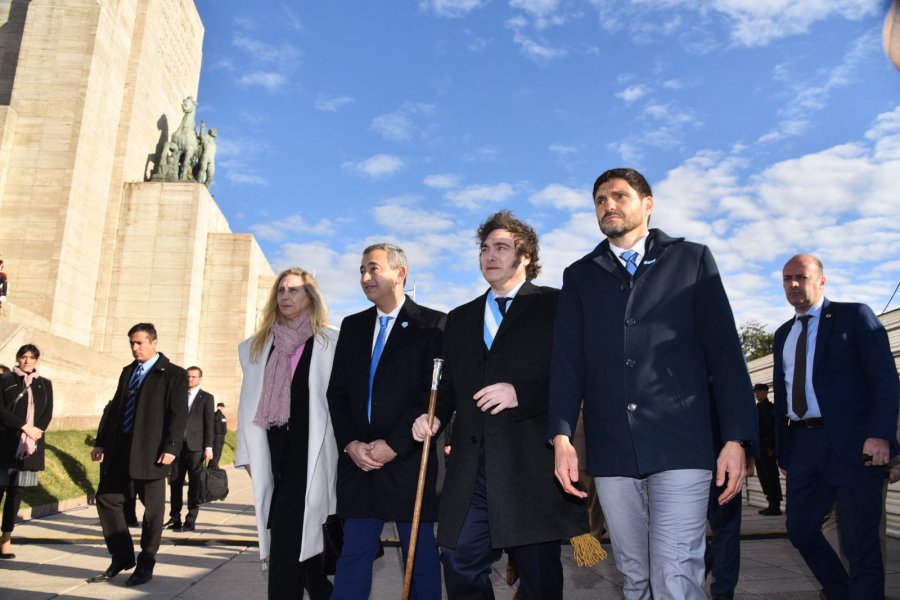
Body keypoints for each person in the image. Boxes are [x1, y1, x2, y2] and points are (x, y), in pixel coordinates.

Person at [548, 167, 757, 599]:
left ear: (647, 204)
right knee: (635, 575)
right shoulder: (579, 275)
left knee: (675, 572)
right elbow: (567, 364)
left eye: (619, 196)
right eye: (600, 200)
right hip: (612, 451)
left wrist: (736, 438)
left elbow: (725, 354)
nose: (608, 205)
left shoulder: (692, 260)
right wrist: (562, 437)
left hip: (681, 443)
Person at [412, 211, 590, 600]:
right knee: (457, 560)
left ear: (525, 255)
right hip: (472, 468)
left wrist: (521, 394)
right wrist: (434, 416)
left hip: (532, 467)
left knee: (539, 578)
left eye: (501, 247)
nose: (490, 255)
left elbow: (575, 376)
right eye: (485, 248)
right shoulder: (459, 318)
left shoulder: (556, 305)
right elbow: (451, 388)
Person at [773, 253, 899, 599]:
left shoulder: (854, 316)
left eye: (801, 276)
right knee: (800, 530)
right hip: (803, 447)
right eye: (787, 279)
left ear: (821, 281)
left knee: (861, 544)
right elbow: (783, 397)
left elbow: (885, 380)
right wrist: (783, 450)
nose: (794, 285)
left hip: (855, 447)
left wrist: (882, 435)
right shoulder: (783, 334)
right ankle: (843, 592)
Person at [327, 243, 445, 600]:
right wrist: (349, 444)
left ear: (400, 273)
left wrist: (395, 445)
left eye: (373, 269)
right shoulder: (353, 326)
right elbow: (339, 392)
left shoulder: (434, 324)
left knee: (420, 559)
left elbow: (432, 394)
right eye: (362, 270)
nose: (365, 278)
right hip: (359, 463)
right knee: (352, 557)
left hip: (408, 463)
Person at [235, 267, 338, 600]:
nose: (285, 296)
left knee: (289, 536)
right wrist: (247, 455)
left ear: (311, 296)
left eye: (294, 290)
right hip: (272, 449)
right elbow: (246, 401)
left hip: (310, 452)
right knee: (290, 537)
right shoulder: (257, 346)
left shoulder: (330, 342)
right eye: (281, 290)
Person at [89, 323, 188, 587]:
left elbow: (179, 415)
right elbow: (115, 409)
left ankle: (146, 561)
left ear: (154, 342)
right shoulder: (128, 372)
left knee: (153, 511)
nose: (135, 348)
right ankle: (122, 556)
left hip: (152, 453)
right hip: (120, 450)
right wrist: (101, 442)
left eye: (140, 343)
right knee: (107, 499)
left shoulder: (173, 374)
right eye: (132, 343)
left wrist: (172, 447)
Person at [0, 344, 53, 559]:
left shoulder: (45, 384)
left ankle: (6, 539)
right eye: (23, 357)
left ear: (37, 360)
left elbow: (47, 412)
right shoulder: (5, 380)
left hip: (31, 447)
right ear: (18, 358)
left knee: (16, 494)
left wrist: (36, 431)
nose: (27, 361)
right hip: (5, 444)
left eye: (31, 357)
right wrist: (24, 426)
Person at [165, 366, 214, 532]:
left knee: (194, 485)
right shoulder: (177, 395)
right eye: (188, 376)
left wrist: (208, 447)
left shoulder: (206, 398)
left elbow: (209, 424)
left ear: (200, 378)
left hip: (196, 448)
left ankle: (191, 519)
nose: (190, 379)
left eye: (193, 377)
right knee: (175, 483)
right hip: (176, 447)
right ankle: (174, 518)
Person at [754, 383, 782, 516]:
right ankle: (770, 502)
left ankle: (774, 505)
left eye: (759, 391)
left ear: (766, 392)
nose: (757, 394)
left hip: (767, 447)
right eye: (756, 392)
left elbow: (773, 429)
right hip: (759, 447)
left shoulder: (770, 408)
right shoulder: (757, 408)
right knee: (763, 476)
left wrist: (770, 446)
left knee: (771, 476)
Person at [212, 402, 227, 467]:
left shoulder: (213, 415)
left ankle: (213, 465)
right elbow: (223, 428)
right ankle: (213, 466)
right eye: (223, 407)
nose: (223, 409)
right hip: (219, 437)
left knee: (216, 452)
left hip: (216, 436)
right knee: (217, 452)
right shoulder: (220, 415)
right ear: (220, 407)